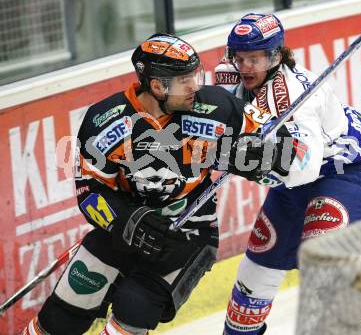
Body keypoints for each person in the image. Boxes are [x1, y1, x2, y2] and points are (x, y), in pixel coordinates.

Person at [21, 33, 297, 335]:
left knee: (133, 309)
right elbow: (89, 193)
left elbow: (283, 148)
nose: (195, 85)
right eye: (184, 80)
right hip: (123, 231)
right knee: (61, 315)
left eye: (195, 75)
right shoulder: (104, 121)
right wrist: (128, 221)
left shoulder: (218, 107)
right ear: (157, 86)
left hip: (187, 232)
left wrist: (262, 155)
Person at [215, 13, 361, 335]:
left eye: (255, 58)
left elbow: (303, 168)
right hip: (292, 187)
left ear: (275, 56)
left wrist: (242, 158)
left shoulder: (294, 97)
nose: (246, 66)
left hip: (344, 173)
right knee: (252, 281)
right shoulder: (229, 80)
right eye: (240, 58)